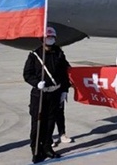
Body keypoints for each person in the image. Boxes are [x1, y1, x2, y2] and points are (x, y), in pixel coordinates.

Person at [23, 27, 71, 163]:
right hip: (40, 95)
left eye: (52, 37)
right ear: (42, 39)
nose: (50, 39)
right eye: (47, 37)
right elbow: (27, 74)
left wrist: (64, 90)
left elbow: (65, 72)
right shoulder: (34, 55)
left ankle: (47, 147)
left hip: (54, 94)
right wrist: (36, 83)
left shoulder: (59, 53)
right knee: (38, 124)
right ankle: (36, 149)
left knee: (50, 123)